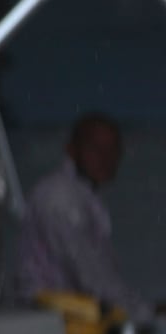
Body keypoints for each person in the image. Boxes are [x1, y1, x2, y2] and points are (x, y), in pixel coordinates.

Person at [18, 111, 151, 322]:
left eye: (113, 149)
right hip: (52, 324)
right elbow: (91, 275)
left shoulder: (81, 197)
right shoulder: (60, 198)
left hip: (69, 320)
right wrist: (143, 315)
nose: (105, 158)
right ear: (72, 150)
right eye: (95, 148)